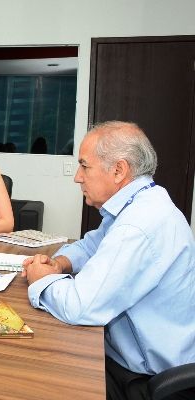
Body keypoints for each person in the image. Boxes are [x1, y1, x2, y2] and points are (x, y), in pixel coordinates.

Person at [22, 121, 195, 400]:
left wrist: (40, 279)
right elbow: (92, 244)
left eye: (84, 166)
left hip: (146, 380)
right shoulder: (139, 202)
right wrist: (60, 264)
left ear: (118, 170)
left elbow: (78, 305)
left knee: (38, 376)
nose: (77, 177)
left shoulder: (138, 225)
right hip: (126, 356)